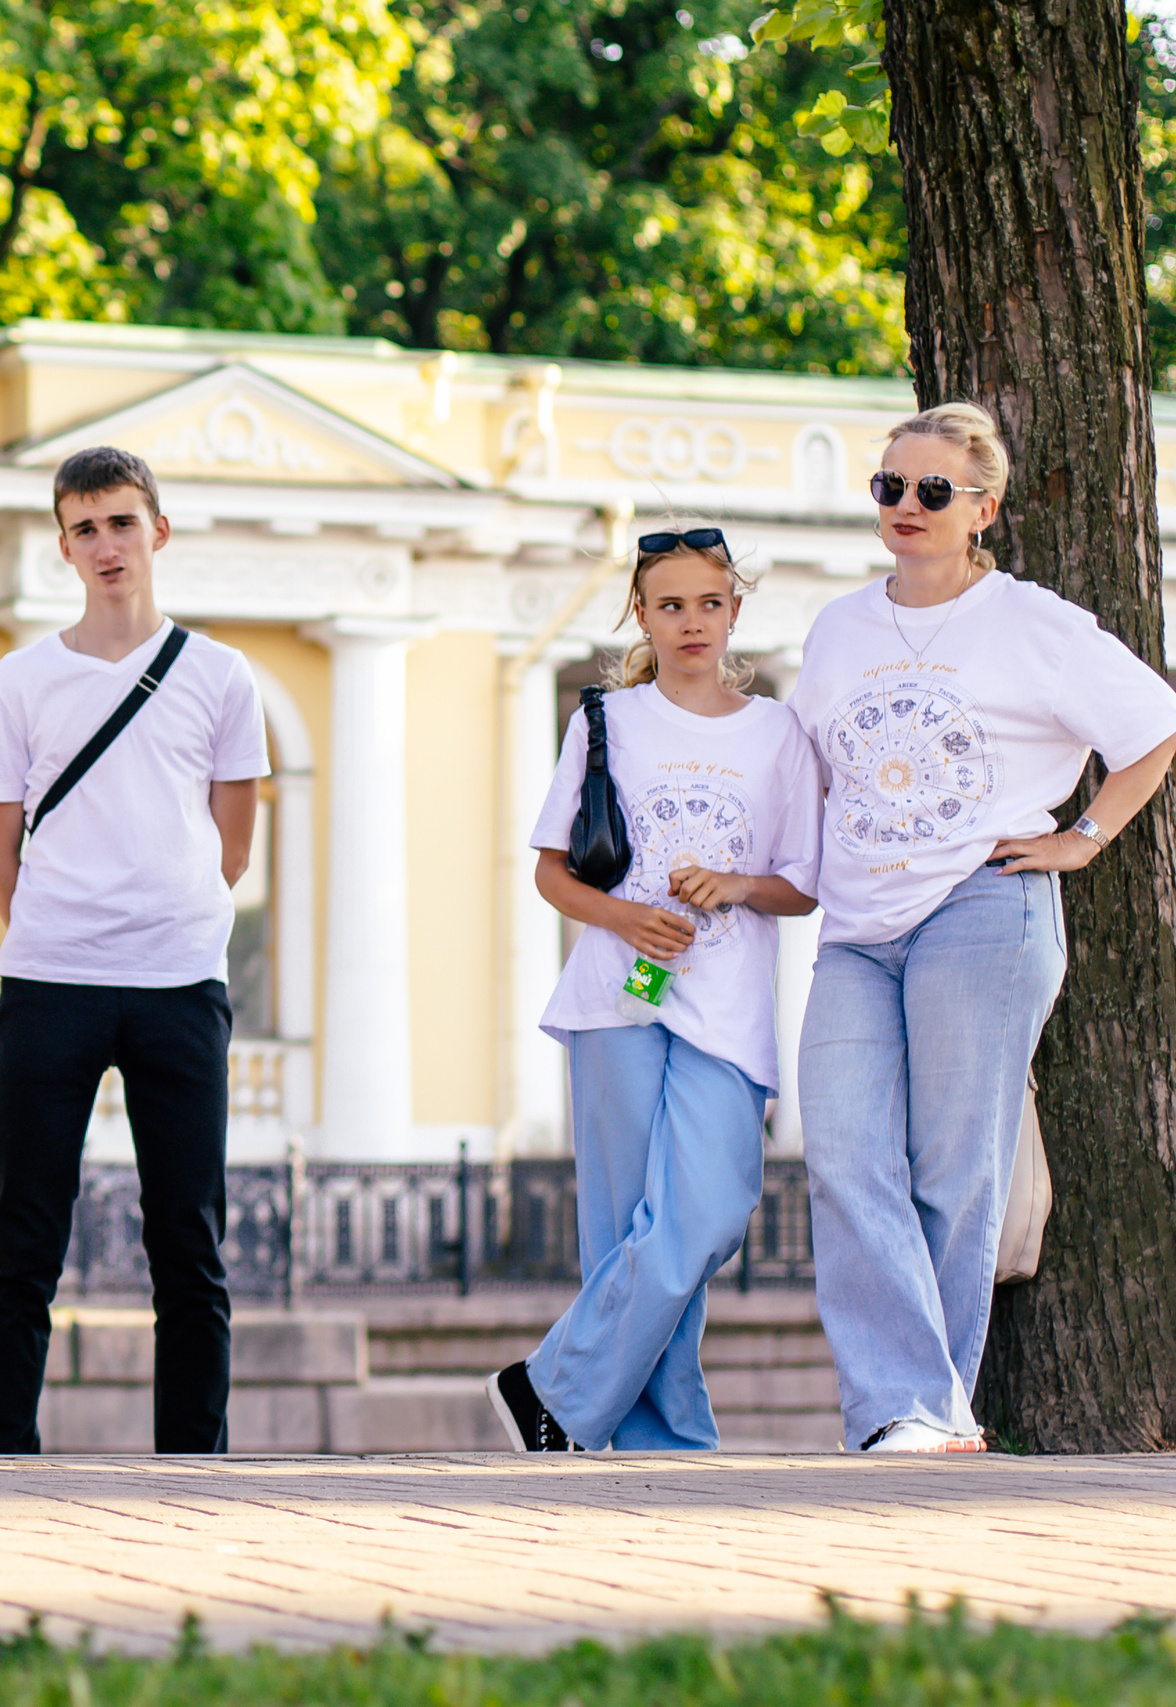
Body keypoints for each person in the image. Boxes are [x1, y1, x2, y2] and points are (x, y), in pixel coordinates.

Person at [792, 403, 1176, 1453]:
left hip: (982, 909)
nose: (904, 508)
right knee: (841, 1153)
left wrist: (1086, 835)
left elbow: (1152, 726)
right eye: (887, 488)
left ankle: (913, 1411)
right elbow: (817, 772)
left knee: (952, 1168)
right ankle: (914, 1401)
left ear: (983, 509)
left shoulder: (1032, 624)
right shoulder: (838, 628)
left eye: (930, 491)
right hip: (857, 927)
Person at [485, 528, 820, 1452]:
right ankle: (657, 1442)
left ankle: (547, 1384)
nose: (691, 623)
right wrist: (627, 919)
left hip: (727, 1007)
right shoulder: (606, 722)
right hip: (616, 996)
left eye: (709, 603)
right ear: (642, 613)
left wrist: (739, 885)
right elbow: (552, 875)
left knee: (703, 1213)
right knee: (624, 1234)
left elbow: (804, 882)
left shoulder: (776, 732)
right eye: (670, 605)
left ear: (735, 612)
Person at [0, 449, 266, 1456]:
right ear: (61, 546)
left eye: (121, 523)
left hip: (179, 984)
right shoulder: (19, 681)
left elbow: (233, 841)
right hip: (50, 981)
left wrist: (163, 911)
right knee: (24, 1239)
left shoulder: (221, 677)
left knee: (188, 1241)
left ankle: (194, 1459)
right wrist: (57, 919)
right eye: (84, 528)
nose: (105, 545)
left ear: (157, 532)